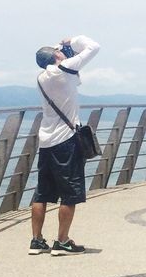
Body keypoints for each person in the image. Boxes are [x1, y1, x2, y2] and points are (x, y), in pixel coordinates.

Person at [30, 34, 100, 256]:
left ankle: (37, 241)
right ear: (57, 56)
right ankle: (62, 242)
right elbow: (93, 47)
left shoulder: (42, 77)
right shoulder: (65, 69)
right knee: (70, 193)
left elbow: (60, 64)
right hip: (66, 141)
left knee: (42, 193)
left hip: (46, 141)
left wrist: (60, 49)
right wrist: (72, 41)